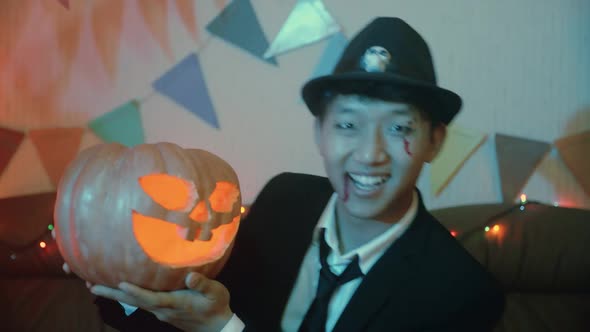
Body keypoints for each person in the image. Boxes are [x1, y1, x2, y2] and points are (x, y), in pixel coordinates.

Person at [66, 17, 506, 331]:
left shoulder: (463, 295)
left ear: (434, 142)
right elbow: (180, 310)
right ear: (319, 133)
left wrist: (224, 329)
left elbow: (211, 323)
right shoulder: (282, 202)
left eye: (399, 128)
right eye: (348, 125)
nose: (370, 154)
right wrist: (120, 283)